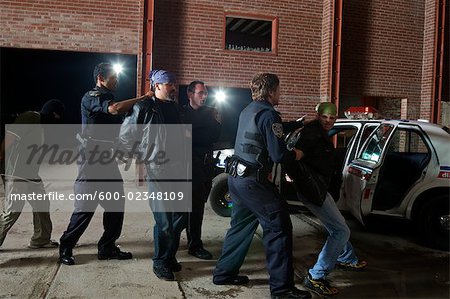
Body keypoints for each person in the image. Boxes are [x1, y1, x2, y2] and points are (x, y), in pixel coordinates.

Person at [213, 73, 311, 299]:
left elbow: (266, 130)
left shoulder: (249, 111)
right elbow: (278, 154)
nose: (280, 93)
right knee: (280, 228)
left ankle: (224, 274)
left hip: (236, 181)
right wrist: (297, 154)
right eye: (278, 89)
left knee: (240, 227)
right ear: (271, 91)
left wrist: (297, 124)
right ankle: (282, 290)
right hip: (254, 184)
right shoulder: (269, 115)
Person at [59, 62, 152, 265]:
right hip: (90, 161)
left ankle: (107, 247)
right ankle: (66, 245)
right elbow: (114, 109)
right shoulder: (92, 97)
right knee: (85, 208)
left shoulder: (109, 97)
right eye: (113, 76)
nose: (117, 80)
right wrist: (143, 97)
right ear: (100, 78)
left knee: (116, 205)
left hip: (107, 160)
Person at [288, 102, 367, 296]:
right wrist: (294, 174)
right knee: (341, 230)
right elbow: (294, 156)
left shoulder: (319, 132)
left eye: (332, 118)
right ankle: (316, 276)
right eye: (325, 117)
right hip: (313, 191)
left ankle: (347, 257)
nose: (328, 121)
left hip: (318, 188)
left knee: (337, 226)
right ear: (317, 115)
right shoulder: (311, 134)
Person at [119, 69, 188, 281]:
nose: (173, 87)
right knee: (165, 220)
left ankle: (168, 255)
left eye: (174, 83)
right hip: (158, 171)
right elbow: (125, 136)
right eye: (169, 83)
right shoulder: (144, 107)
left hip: (178, 170)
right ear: (157, 85)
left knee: (181, 217)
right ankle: (160, 262)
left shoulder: (175, 108)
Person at [0, 99, 64, 249]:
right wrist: (1, 157)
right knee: (12, 210)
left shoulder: (40, 124)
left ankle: (40, 239)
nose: (57, 120)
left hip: (30, 174)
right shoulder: (30, 117)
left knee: (41, 204)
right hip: (16, 173)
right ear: (52, 113)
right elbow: (9, 138)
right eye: (56, 116)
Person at [180, 81, 221, 260]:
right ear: (190, 94)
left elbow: (215, 136)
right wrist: (200, 133)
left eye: (205, 93)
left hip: (205, 166)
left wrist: (197, 133)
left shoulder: (210, 112)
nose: (204, 96)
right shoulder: (181, 112)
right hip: (187, 165)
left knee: (197, 208)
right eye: (200, 93)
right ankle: (185, 244)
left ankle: (193, 244)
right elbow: (184, 137)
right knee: (183, 209)